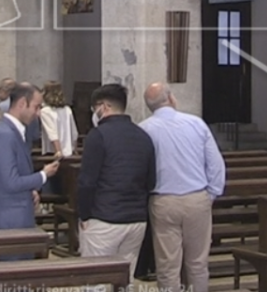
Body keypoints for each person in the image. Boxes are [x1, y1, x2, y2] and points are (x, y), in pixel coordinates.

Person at [139, 82, 225, 292]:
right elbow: (215, 164)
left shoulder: (144, 129)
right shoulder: (196, 123)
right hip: (196, 198)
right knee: (197, 263)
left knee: (168, 266)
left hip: (163, 201)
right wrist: (211, 194)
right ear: (171, 98)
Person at [77, 84, 156, 282]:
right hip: (136, 220)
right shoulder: (143, 136)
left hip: (104, 218)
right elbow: (152, 181)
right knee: (123, 279)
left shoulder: (98, 135)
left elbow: (87, 181)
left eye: (95, 108)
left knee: (96, 279)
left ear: (104, 107)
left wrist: (84, 214)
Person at [0, 82, 60, 259]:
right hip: (9, 218)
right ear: (22, 104)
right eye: (36, 106)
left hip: (17, 213)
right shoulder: (5, 134)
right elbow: (10, 182)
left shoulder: (15, 131)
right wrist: (43, 175)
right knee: (13, 279)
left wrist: (30, 190)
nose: (38, 113)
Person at [41, 81, 78, 158]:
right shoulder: (67, 109)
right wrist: (75, 148)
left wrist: (58, 151)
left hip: (53, 151)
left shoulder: (45, 111)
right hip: (68, 151)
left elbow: (52, 133)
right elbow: (74, 133)